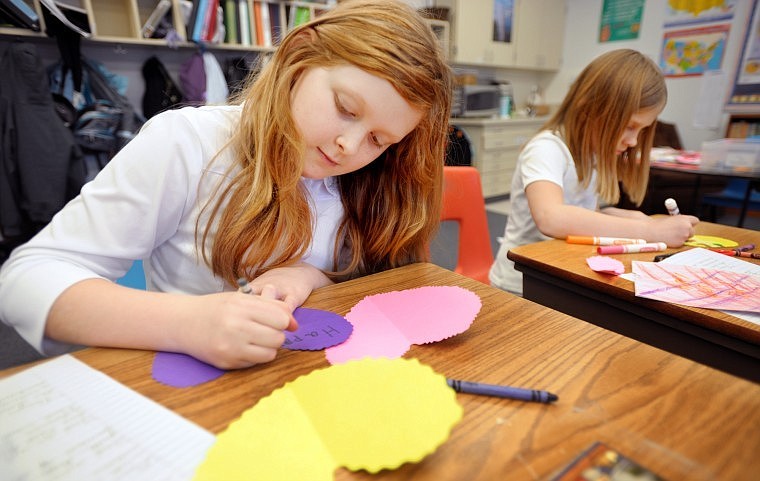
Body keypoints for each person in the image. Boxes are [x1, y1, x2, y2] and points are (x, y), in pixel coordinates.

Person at [0, 0, 452, 369]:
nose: (348, 147)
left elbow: (383, 281)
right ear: (300, 56)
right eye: (346, 108)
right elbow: (25, 279)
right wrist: (186, 323)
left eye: (378, 139)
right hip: (194, 389)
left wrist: (308, 274)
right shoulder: (187, 142)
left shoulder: (371, 178)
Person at [489, 49, 699, 296]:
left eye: (641, 131)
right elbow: (551, 217)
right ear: (591, 108)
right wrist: (652, 232)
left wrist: (632, 219)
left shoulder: (592, 154)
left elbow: (586, 213)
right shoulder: (546, 148)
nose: (634, 141)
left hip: (563, 271)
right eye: (630, 127)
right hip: (521, 284)